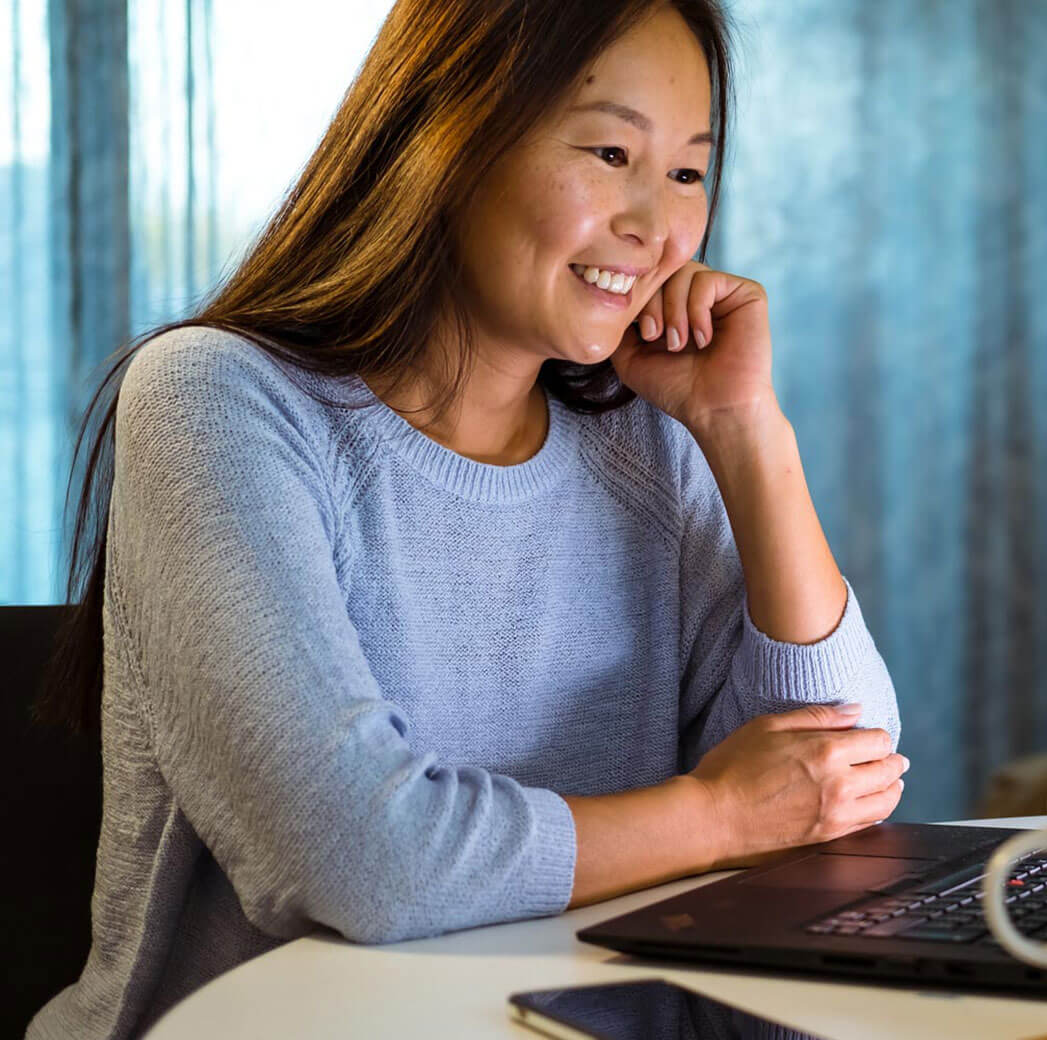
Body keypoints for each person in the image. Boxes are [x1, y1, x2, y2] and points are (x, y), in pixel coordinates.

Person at [27, 1, 905, 1037]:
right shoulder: (216, 400)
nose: (654, 225)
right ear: (448, 137)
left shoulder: (652, 442)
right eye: (612, 150)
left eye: (686, 172)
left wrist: (748, 430)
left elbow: (845, 769)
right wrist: (718, 814)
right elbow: (365, 858)